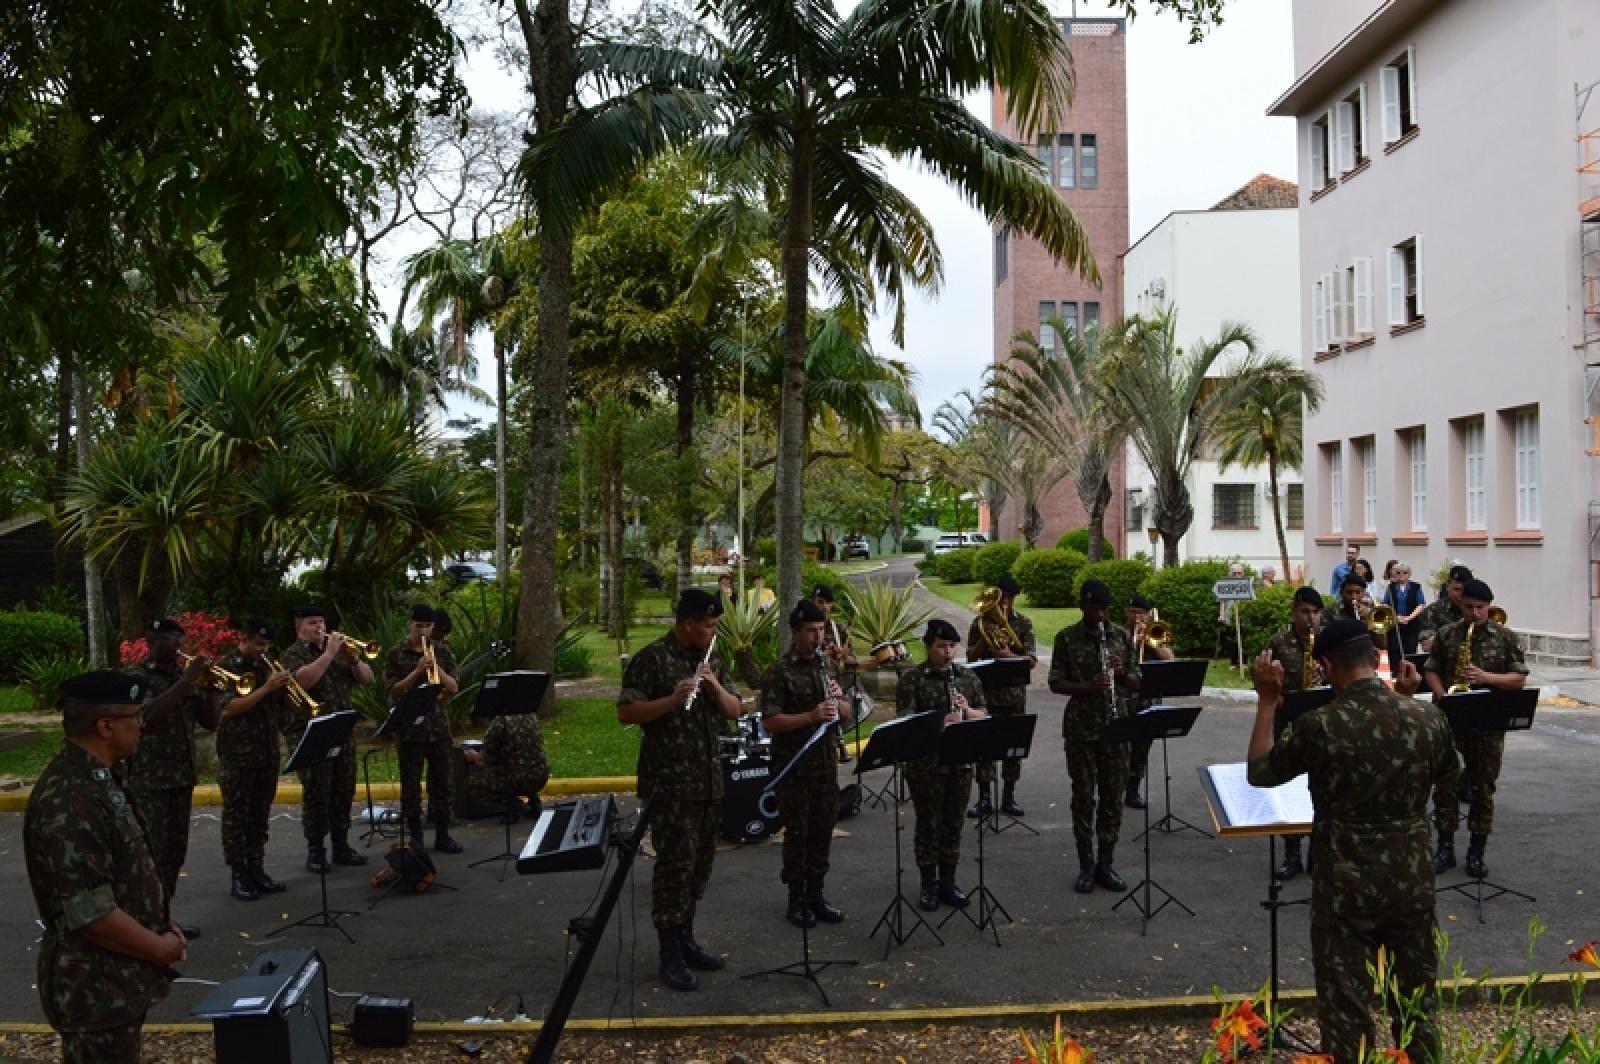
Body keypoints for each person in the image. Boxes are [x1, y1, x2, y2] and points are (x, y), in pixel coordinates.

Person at [1247, 620, 1457, 1063]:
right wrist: (1404, 700)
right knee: (1417, 1006)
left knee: (1347, 1010)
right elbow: (1450, 777)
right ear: (1371, 657)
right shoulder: (1426, 717)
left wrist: (1267, 701)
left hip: (1345, 885)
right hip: (1411, 879)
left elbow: (1260, 771)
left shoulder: (1319, 725)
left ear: (1326, 665)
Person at [25, 671, 189, 1064]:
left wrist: (158, 922)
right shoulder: (71, 798)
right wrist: (159, 948)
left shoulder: (98, 779)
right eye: (135, 716)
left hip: (117, 981)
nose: (141, 725)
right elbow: (91, 913)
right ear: (105, 726)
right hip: (94, 988)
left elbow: (120, 874)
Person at [618, 588, 743, 991]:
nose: (713, 632)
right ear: (687, 624)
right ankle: (668, 952)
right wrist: (672, 700)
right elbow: (626, 712)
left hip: (708, 782)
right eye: (708, 625)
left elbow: (735, 710)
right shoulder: (653, 659)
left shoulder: (713, 660)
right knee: (674, 868)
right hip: (671, 785)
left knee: (699, 865)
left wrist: (714, 688)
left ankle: (687, 939)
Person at [1424, 578, 1527, 879]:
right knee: (1445, 786)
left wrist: (1485, 677)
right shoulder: (1446, 635)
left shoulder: (1506, 638)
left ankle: (1476, 852)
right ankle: (1444, 848)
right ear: (1461, 605)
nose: (1474, 613)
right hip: (1452, 721)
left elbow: (1518, 679)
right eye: (1468, 607)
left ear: (1489, 607)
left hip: (1488, 726)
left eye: (1480, 608)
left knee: (1484, 788)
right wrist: (1443, 697)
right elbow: (1430, 669)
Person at [127, 618, 219, 939]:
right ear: (151, 641)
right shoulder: (136, 677)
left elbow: (210, 723)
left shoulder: (184, 677)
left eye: (180, 639)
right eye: (170, 640)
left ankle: (164, 918)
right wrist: (187, 682)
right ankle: (142, 922)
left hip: (181, 777)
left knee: (173, 853)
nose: (179, 646)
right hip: (149, 780)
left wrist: (208, 690)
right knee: (149, 854)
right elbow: (146, 716)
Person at [1049, 579, 1140, 894]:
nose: (1099, 616)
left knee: (1113, 796)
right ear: (1082, 607)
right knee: (1084, 795)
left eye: (1104, 610)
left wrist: (1122, 675)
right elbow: (1055, 682)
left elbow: (1137, 680)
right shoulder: (1067, 638)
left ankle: (1106, 863)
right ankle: (1085, 865)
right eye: (1093, 609)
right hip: (1081, 729)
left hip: (1116, 728)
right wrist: (1088, 686)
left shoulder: (1122, 637)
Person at [759, 599, 847, 928]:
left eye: (821, 630)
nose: (817, 637)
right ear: (795, 632)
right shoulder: (779, 671)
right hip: (794, 768)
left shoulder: (826, 666)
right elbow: (770, 720)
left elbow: (849, 714)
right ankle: (796, 899)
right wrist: (810, 716)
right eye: (810, 631)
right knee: (798, 833)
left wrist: (839, 701)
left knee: (822, 831)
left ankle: (816, 895)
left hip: (825, 766)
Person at [895, 618, 987, 910]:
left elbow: (983, 713)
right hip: (926, 765)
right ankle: (928, 883)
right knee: (929, 822)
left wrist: (966, 711)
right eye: (941, 647)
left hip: (959, 762)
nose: (947, 653)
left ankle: (948, 880)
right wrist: (939, 722)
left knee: (953, 822)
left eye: (951, 647)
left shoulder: (966, 677)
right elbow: (905, 721)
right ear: (928, 647)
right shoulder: (913, 679)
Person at [280, 605, 375, 873]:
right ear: (300, 629)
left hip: (341, 730)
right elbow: (303, 682)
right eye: (312, 623)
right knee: (317, 793)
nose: (320, 627)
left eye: (322, 622)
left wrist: (354, 658)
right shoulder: (293, 654)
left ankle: (341, 846)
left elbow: (367, 678)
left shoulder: (340, 652)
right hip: (311, 732)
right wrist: (329, 653)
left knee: (343, 789)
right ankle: (316, 851)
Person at [216, 618, 293, 901]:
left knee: (260, 815)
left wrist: (285, 693)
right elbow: (227, 709)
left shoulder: (267, 666)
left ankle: (257, 867)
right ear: (244, 639)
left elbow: (281, 713)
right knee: (237, 815)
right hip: (238, 754)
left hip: (266, 752)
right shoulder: (226, 667)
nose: (263, 650)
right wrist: (266, 689)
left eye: (267, 645)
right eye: (258, 644)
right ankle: (238, 873)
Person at [384, 604, 462, 854]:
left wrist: (435, 668)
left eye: (428, 627)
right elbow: (393, 691)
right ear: (410, 625)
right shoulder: (397, 653)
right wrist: (417, 671)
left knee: (443, 782)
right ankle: (415, 836)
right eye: (418, 627)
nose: (423, 632)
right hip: (410, 731)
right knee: (410, 785)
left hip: (439, 728)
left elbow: (453, 687)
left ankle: (443, 834)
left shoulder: (442, 651)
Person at [1264, 587, 1326, 881]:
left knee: (1321, 786)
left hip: (1322, 723)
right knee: (1289, 787)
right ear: (1294, 611)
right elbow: (1264, 680)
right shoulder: (1278, 641)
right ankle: (1291, 853)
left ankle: (1317, 850)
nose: (1311, 618)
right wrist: (1276, 696)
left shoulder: (1327, 641)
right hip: (1288, 722)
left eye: (1315, 613)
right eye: (1305, 612)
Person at [966, 574, 1037, 819]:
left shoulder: (1024, 624)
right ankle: (984, 797)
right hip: (986, 694)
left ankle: (1009, 796)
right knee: (984, 746)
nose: (1003, 603)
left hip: (1014, 694)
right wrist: (986, 641)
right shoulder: (979, 623)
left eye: (1007, 599)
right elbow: (970, 659)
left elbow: (1031, 660)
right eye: (1000, 598)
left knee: (1012, 745)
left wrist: (1007, 655)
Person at [1121, 594, 1172, 810]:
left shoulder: (1155, 634)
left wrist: (1147, 640)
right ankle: (1116, 787)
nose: (1137, 617)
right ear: (1126, 613)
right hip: (1124, 698)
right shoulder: (1119, 634)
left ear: (1148, 614)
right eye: (1133, 612)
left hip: (1147, 699)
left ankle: (1133, 789)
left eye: (1141, 613)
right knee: (1121, 746)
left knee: (1142, 747)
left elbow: (1169, 658)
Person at [463, 707, 550, 819]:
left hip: (517, 780)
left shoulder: (501, 721)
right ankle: (534, 802)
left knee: (472, 783)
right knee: (521, 767)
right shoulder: (531, 715)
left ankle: (514, 805)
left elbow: (482, 761)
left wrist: (473, 756)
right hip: (541, 777)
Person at [811, 584, 853, 764]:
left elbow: (851, 660)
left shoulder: (839, 629)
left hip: (836, 686)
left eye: (827, 603)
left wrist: (844, 655)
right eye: (820, 602)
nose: (824, 607)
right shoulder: (807, 628)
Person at [1418, 565, 1472, 651]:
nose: (1461, 595)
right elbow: (1427, 646)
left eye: (1465, 590)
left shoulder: (1480, 610)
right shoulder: (1432, 611)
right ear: (1447, 587)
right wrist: (1456, 627)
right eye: (1457, 590)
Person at [1382, 563, 1427, 656]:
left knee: (1410, 651)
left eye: (1405, 573)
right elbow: (1386, 605)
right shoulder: (1390, 587)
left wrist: (1409, 618)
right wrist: (1395, 617)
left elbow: (1421, 605)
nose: (1401, 575)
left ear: (1409, 574)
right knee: (1394, 651)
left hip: (1411, 626)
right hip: (1394, 625)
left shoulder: (1416, 587)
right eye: (1398, 573)